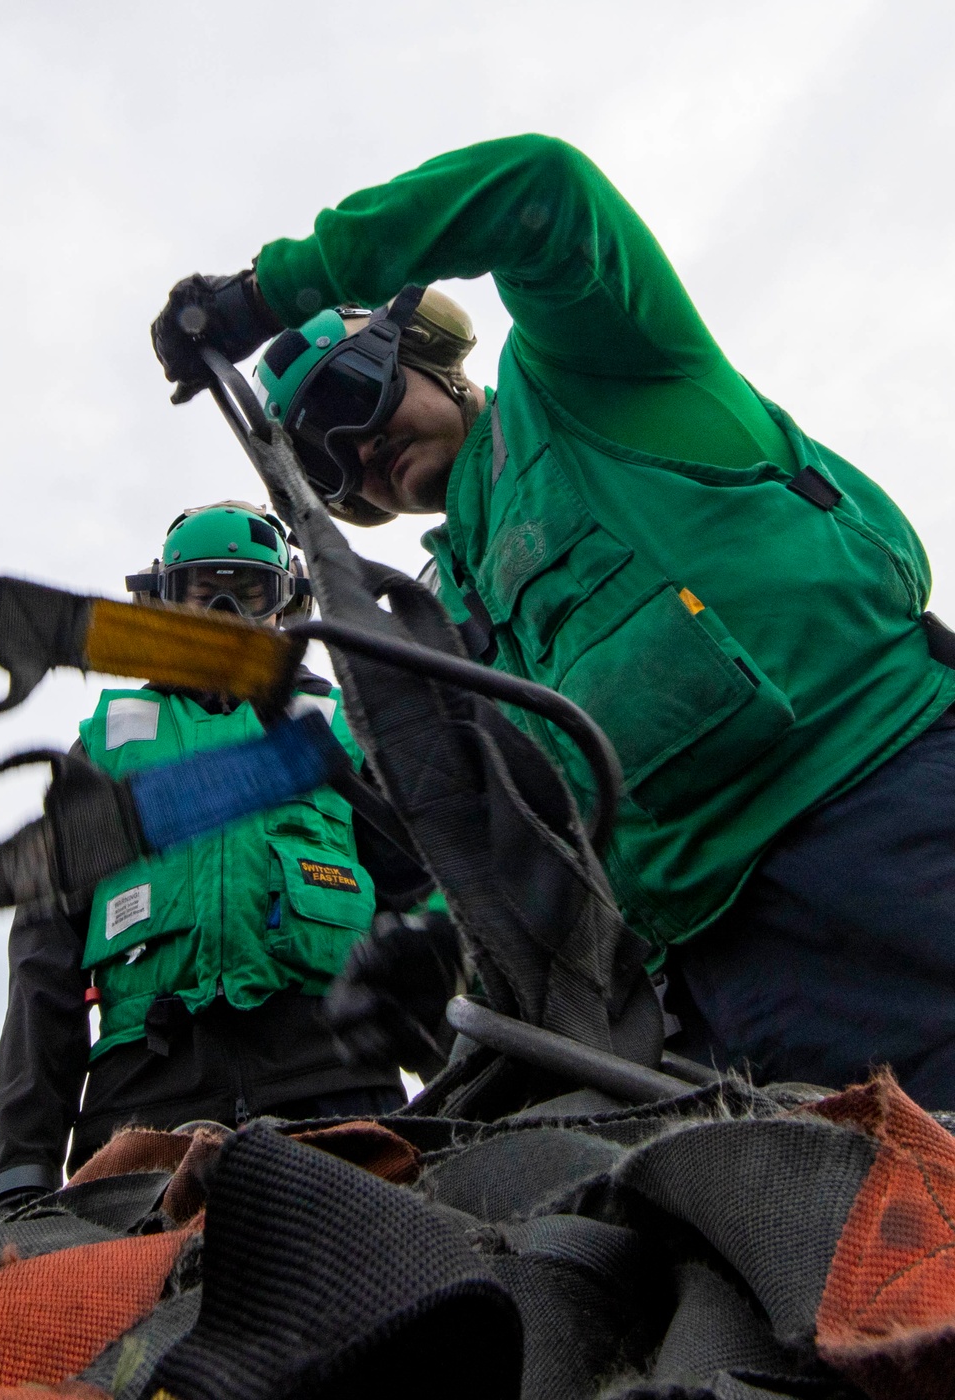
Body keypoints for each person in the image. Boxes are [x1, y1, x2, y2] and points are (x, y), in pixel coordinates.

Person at [150, 135, 955, 1107]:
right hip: (707, 981)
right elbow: (528, 819)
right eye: (324, 461)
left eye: (351, 394)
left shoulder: (590, 372)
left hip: (882, 829)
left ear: (428, 357)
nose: (358, 449)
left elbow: (540, 184)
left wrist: (270, 291)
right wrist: (444, 939)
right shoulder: (446, 615)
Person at [0, 501, 430, 1222]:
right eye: (200, 590)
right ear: (162, 599)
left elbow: (432, 908)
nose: (222, 612)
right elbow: (43, 964)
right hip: (141, 1101)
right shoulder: (104, 754)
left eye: (247, 591)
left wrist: (459, 1072)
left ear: (288, 603)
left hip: (332, 1082)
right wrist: (17, 1168)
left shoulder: (343, 735)